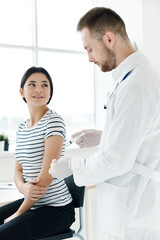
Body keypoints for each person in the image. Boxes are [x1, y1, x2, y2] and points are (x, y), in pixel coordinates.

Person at [49, 7, 160, 240]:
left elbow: (116, 160)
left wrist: (72, 166)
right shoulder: (130, 80)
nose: (89, 57)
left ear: (109, 38)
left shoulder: (136, 85)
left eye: (89, 48)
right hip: (124, 210)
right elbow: (141, 133)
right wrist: (104, 135)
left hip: (132, 214)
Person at [0, 67, 75, 239]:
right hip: (33, 204)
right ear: (22, 92)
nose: (39, 89)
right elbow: (18, 170)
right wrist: (23, 187)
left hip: (57, 209)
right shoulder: (21, 128)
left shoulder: (54, 121)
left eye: (45, 85)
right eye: (32, 84)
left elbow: (45, 178)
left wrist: (18, 213)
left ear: (50, 92)